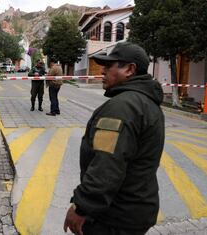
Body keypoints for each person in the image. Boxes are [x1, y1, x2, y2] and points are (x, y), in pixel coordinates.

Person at [63, 42, 165, 235]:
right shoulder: (147, 103)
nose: (103, 71)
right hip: (135, 210)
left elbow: (106, 165)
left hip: (114, 217)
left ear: (129, 69)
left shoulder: (122, 107)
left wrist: (82, 207)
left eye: (109, 66)